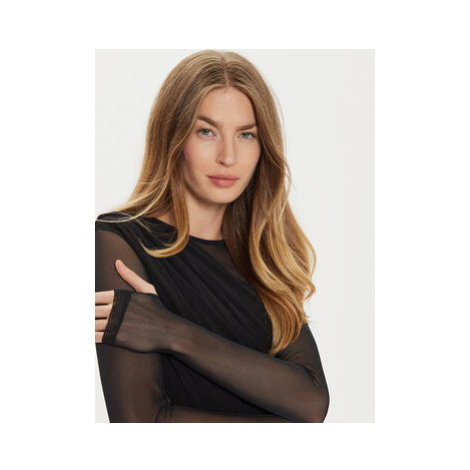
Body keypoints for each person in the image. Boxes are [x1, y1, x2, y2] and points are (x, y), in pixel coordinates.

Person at [95, 49, 330, 423]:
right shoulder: (119, 243)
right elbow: (141, 421)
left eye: (246, 134)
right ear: (173, 137)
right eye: (206, 131)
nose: (228, 157)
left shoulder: (262, 258)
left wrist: (171, 331)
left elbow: (312, 403)